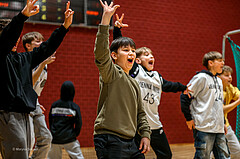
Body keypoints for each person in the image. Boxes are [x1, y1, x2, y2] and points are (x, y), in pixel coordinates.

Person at [0, 0, 74, 158]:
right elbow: (6, 39)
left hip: (24, 113)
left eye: (18, 37)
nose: (17, 39)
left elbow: (46, 48)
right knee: (17, 152)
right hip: (6, 113)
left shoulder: (22, 59)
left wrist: (64, 27)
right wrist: (22, 16)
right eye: (14, 36)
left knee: (25, 152)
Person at [113, 14, 191, 159]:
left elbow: (169, 85)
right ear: (137, 59)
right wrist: (117, 30)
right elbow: (122, 53)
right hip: (137, 125)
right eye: (147, 55)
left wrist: (183, 87)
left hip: (155, 125)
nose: (151, 57)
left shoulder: (157, 76)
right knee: (137, 156)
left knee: (166, 155)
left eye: (152, 55)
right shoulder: (135, 70)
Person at [93, 0, 151, 158]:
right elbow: (101, 53)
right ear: (114, 56)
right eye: (126, 50)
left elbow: (141, 113)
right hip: (109, 139)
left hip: (131, 141)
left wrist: (145, 134)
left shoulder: (133, 82)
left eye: (133, 50)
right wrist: (106, 20)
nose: (131, 53)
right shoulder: (111, 73)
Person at [180, 51, 230, 159]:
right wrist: (188, 118)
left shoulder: (219, 81)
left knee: (225, 156)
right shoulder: (201, 77)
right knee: (203, 157)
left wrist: (223, 122)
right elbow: (184, 97)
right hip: (203, 127)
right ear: (210, 63)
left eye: (223, 61)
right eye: (220, 61)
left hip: (219, 128)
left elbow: (219, 103)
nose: (223, 63)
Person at [22, 31, 55, 159]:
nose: (41, 43)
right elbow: (29, 83)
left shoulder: (43, 63)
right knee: (27, 142)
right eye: (37, 41)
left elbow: (34, 88)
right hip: (23, 105)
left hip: (33, 103)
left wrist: (37, 101)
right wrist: (42, 64)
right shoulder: (25, 61)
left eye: (42, 40)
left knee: (46, 138)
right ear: (28, 46)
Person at [48, 81, 84, 159]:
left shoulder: (54, 105)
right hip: (70, 138)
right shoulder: (74, 107)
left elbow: (50, 120)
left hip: (55, 138)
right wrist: (74, 135)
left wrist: (54, 132)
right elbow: (79, 123)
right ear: (73, 92)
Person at [219, 65, 240, 159]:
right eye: (226, 75)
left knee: (237, 151)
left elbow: (238, 95)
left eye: (230, 75)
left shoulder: (229, 87)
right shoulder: (214, 90)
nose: (230, 77)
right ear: (218, 77)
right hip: (212, 128)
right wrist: (238, 102)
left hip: (226, 125)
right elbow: (222, 110)